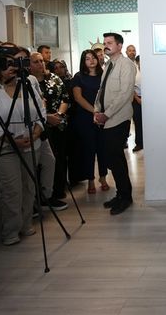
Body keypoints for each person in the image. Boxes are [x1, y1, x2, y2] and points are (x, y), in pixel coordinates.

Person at [0, 48, 55, 245]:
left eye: (13, 64)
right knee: (11, 190)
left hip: (31, 144)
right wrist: (12, 141)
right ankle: (10, 230)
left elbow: (41, 111)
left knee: (29, 186)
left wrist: (36, 132)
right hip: (4, 148)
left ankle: (26, 223)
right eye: (6, 66)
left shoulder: (27, 86)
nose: (12, 68)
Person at [94, 33, 137, 216]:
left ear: (119, 46)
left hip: (118, 119)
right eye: (105, 43)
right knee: (113, 158)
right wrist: (97, 110)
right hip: (106, 118)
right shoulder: (108, 65)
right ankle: (121, 194)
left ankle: (125, 197)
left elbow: (125, 94)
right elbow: (102, 90)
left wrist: (106, 114)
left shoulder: (126, 64)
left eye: (110, 43)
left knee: (116, 160)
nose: (106, 45)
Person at [29, 52, 69, 210]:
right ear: (28, 65)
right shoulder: (27, 82)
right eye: (36, 62)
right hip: (38, 127)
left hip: (58, 124)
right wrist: (47, 118)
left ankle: (55, 192)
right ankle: (38, 198)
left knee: (58, 159)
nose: (40, 64)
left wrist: (59, 115)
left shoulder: (54, 78)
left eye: (41, 61)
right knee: (40, 163)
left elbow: (65, 98)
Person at [71, 50, 108, 194]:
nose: (91, 61)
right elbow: (78, 98)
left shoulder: (103, 75)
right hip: (85, 117)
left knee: (102, 148)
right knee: (89, 149)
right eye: (87, 59)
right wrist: (94, 111)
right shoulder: (78, 77)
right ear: (83, 61)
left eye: (93, 58)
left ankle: (103, 177)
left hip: (102, 117)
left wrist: (102, 113)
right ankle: (91, 179)